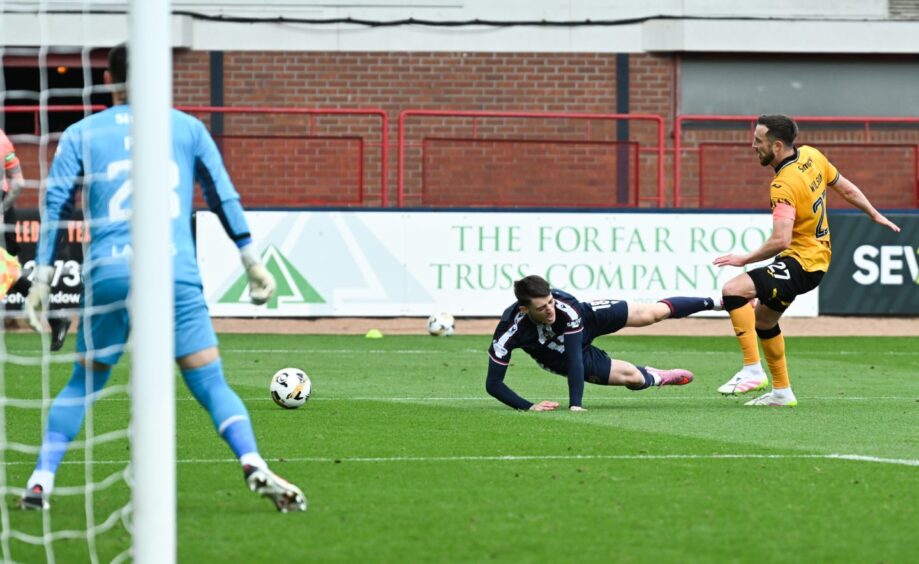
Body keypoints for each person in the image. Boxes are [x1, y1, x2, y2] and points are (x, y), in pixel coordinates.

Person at [18, 44, 306, 512]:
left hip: (110, 272)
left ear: (109, 80)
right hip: (173, 270)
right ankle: (252, 461)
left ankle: (41, 481)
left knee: (84, 381)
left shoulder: (81, 132)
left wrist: (43, 278)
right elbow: (222, 196)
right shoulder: (187, 128)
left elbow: (56, 205)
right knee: (210, 381)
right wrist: (251, 260)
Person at [713, 114, 900, 406]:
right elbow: (845, 187)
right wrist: (872, 213)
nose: (753, 146)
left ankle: (751, 369)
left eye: (758, 140)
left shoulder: (783, 185)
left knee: (733, 290)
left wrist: (744, 258)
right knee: (763, 320)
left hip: (801, 263)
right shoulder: (812, 155)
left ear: (776, 146)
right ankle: (782, 392)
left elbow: (780, 240)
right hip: (817, 259)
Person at [486, 275, 718, 411]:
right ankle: (656, 376)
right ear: (524, 309)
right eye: (541, 307)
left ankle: (717, 302)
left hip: (587, 321)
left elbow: (575, 352)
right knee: (633, 377)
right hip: (556, 354)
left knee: (652, 314)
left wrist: (575, 404)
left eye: (550, 301)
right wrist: (529, 407)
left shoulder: (564, 306)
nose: (550, 310)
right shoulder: (508, 332)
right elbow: (493, 384)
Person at [0, 128, 72, 350]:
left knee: (8, 274)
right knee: (9, 275)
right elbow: (19, 182)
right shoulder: (2, 137)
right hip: (6, 209)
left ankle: (56, 318)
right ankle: (56, 318)